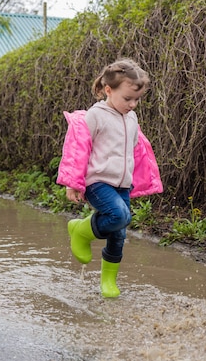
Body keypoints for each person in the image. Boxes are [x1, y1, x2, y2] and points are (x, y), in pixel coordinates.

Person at [56, 58, 163, 298]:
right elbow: (78, 147)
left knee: (119, 232)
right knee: (119, 216)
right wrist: (73, 182)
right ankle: (82, 231)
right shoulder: (96, 115)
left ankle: (108, 281)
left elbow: (135, 151)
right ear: (108, 90)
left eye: (137, 99)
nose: (133, 104)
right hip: (98, 181)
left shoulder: (131, 118)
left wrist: (141, 179)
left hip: (122, 184)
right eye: (127, 98)